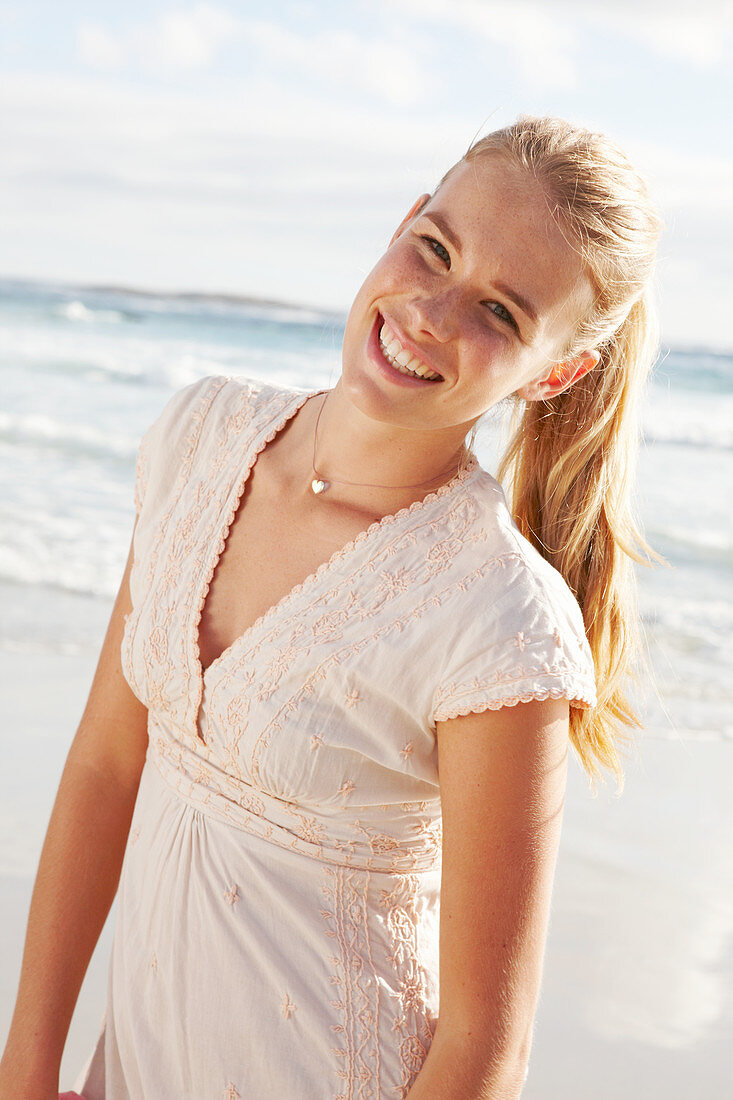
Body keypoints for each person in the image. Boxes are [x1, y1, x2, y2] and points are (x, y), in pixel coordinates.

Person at [0, 115, 661, 1099]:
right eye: (433, 246)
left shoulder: (498, 620)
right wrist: (28, 1063)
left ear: (554, 373)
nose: (432, 309)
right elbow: (107, 760)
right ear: (404, 219)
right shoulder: (199, 437)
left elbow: (487, 1042)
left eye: (501, 312)